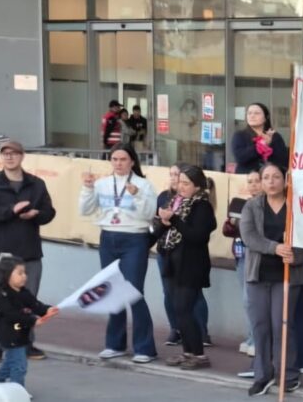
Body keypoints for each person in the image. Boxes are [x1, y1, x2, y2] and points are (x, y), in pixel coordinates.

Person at [78, 144, 158, 363]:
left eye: (123, 159)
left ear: (132, 161)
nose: (118, 163)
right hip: (108, 237)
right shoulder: (102, 184)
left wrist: (138, 195)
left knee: (133, 290)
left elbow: (150, 213)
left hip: (135, 238)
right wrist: (87, 188)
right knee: (112, 289)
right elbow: (85, 210)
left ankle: (145, 348)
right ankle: (115, 344)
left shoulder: (143, 184)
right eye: (114, 159)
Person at [0, 140, 56, 363]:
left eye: (14, 153)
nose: (10, 157)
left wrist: (36, 215)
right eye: (5, 154)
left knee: (27, 301)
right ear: (1, 157)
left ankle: (25, 344)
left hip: (28, 252)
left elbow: (49, 212)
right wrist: (11, 210)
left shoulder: (36, 184)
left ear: (22, 156)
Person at [240, 163, 303, 396]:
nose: (271, 181)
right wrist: (276, 247)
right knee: (260, 326)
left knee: (281, 326)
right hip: (257, 275)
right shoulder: (252, 206)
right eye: (266, 177)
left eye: (276, 177)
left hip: (287, 276)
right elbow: (249, 237)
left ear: (285, 180)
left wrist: (295, 255)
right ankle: (263, 374)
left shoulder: (297, 208)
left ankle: (288, 374)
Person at [154, 165, 217, 370]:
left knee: (185, 309)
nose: (181, 186)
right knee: (177, 309)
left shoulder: (202, 207)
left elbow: (196, 236)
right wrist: (163, 221)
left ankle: (199, 354)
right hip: (173, 261)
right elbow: (165, 230)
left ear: (197, 186)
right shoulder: (176, 201)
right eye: (179, 182)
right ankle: (187, 351)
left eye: (186, 183)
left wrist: (173, 219)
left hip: (191, 265)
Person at [0, 254, 58, 393]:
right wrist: (33, 320)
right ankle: (17, 392)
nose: (24, 276)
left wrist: (47, 309)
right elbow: (12, 314)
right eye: (19, 273)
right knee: (19, 365)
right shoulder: (2, 294)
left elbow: (34, 304)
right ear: (7, 275)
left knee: (10, 361)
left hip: (21, 334)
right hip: (9, 335)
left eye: (25, 272)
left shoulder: (23, 291)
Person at [224, 169, 262, 363]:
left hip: (255, 253)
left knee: (253, 299)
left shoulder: (265, 205)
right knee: (246, 300)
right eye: (250, 181)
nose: (253, 184)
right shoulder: (241, 203)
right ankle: (250, 336)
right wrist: (231, 224)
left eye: (257, 181)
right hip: (240, 254)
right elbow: (228, 231)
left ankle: (257, 340)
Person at [232, 102, 289, 174]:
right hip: (247, 178)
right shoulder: (240, 135)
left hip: (269, 179)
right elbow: (240, 158)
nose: (252, 116)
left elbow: (283, 161)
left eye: (257, 113)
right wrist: (261, 146)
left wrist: (270, 145)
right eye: (249, 113)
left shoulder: (274, 136)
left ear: (265, 118)